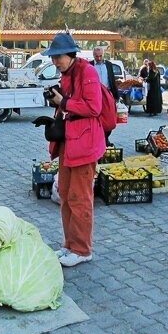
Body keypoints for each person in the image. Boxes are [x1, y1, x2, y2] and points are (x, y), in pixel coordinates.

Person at [43, 32, 106, 267]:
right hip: (69, 144)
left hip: (85, 146)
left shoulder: (87, 72)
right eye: (53, 57)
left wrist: (64, 103)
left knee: (80, 199)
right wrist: (56, 101)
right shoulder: (68, 74)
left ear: (71, 55)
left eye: (58, 57)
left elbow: (93, 107)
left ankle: (82, 249)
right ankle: (69, 245)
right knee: (66, 196)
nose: (55, 62)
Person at [91, 45, 119, 145]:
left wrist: (116, 96)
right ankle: (98, 138)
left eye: (100, 56)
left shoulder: (109, 65)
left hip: (107, 94)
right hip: (94, 95)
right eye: (96, 56)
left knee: (109, 118)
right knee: (96, 118)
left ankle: (106, 138)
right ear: (93, 55)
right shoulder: (89, 65)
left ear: (103, 55)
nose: (98, 58)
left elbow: (112, 80)